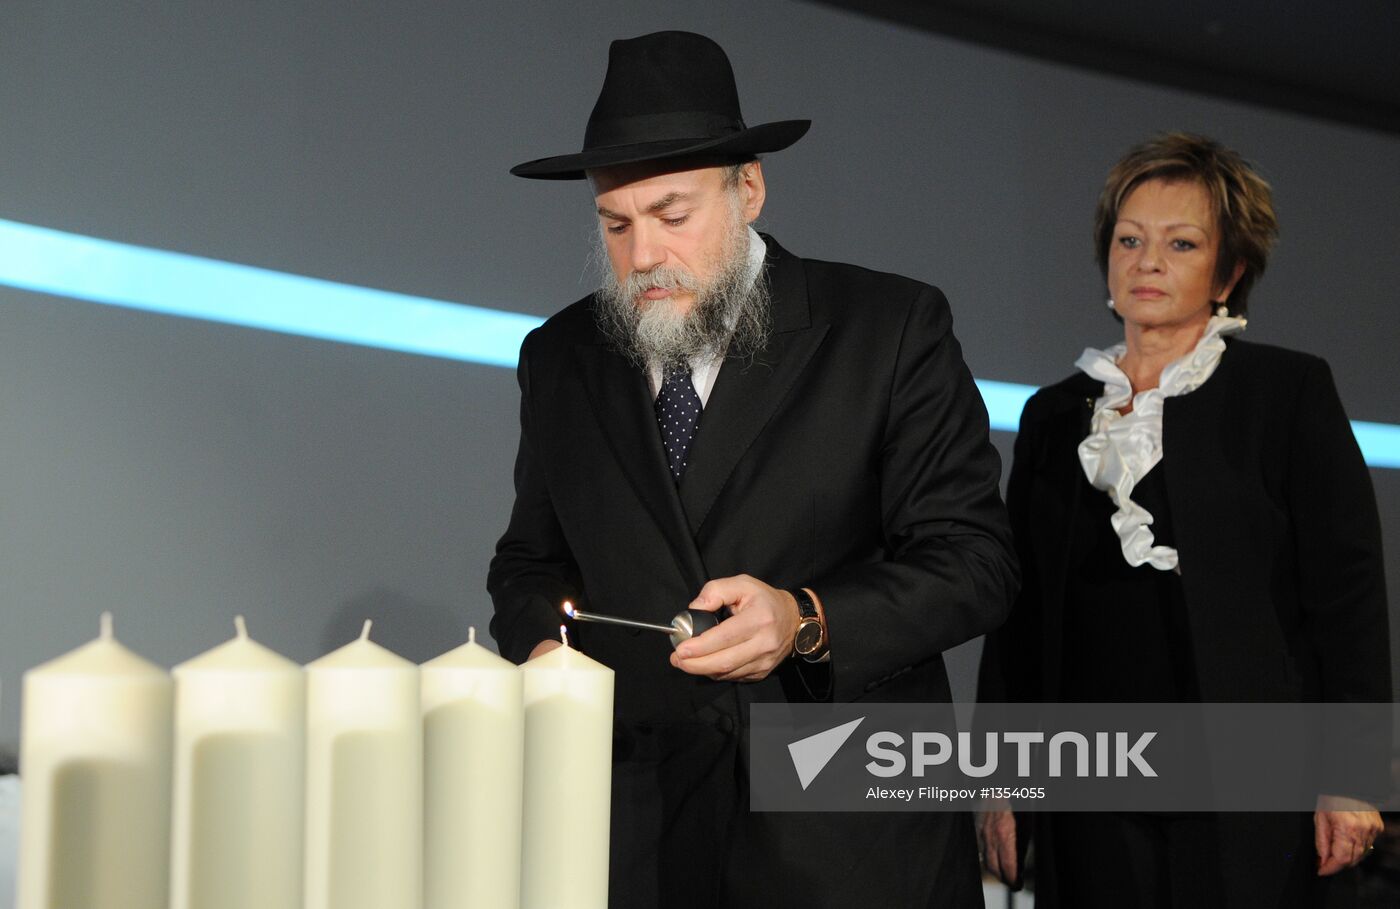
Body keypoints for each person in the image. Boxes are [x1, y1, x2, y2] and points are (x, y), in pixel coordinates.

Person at [489, 30, 1018, 909]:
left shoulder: (887, 329)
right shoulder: (561, 356)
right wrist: (544, 644)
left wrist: (806, 619)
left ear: (750, 190)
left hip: (849, 842)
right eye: (615, 225)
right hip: (639, 836)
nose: (644, 255)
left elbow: (976, 563)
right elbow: (529, 564)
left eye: (672, 214)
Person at [976, 132, 1391, 908]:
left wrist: (1352, 773)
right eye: (1129, 240)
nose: (1147, 260)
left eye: (1182, 242)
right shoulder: (1054, 413)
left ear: (1230, 270)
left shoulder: (1287, 392)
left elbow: (1349, 599)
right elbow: (1019, 617)